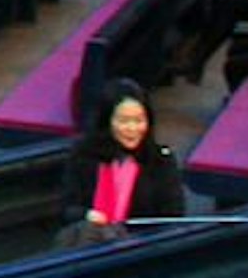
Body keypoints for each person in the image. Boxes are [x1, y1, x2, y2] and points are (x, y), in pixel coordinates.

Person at [57, 81, 189, 243]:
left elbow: (172, 216)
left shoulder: (160, 160)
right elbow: (67, 209)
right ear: (108, 121)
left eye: (139, 120)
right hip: (91, 244)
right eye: (124, 121)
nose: (132, 129)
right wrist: (88, 215)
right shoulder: (84, 154)